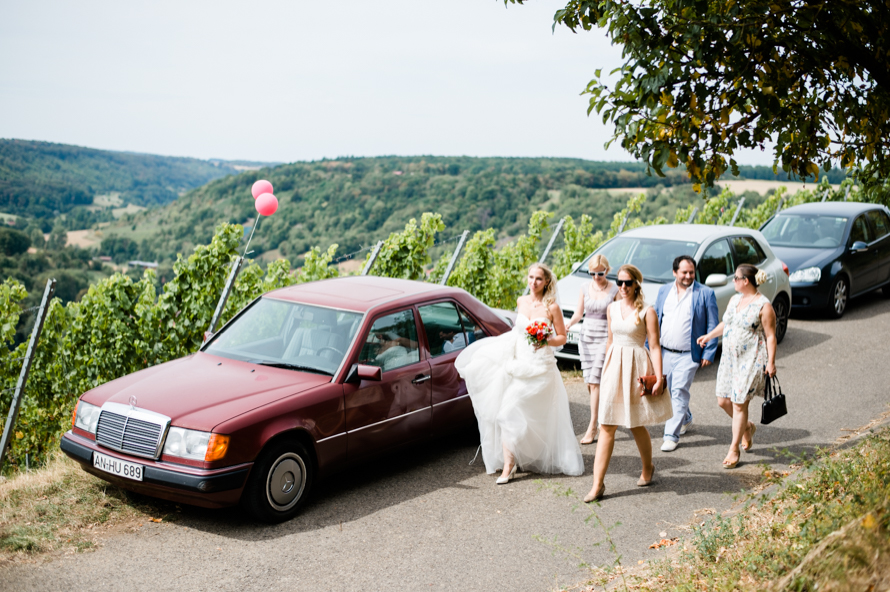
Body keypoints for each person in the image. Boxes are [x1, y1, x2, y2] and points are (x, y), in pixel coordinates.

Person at [455, 262, 584, 484]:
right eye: (531, 277)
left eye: (539, 279)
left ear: (546, 282)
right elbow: (518, 332)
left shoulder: (552, 307)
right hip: (519, 363)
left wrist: (546, 340)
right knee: (506, 413)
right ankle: (509, 464)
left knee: (531, 414)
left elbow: (562, 336)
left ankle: (527, 456)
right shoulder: (521, 301)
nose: (533, 282)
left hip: (541, 367)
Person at [584, 265, 672, 502]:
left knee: (635, 424)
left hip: (636, 366)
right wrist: (604, 371)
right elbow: (610, 341)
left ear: (636, 285)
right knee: (607, 425)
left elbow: (654, 346)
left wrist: (659, 377)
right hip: (614, 366)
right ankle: (597, 484)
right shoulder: (611, 308)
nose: (623, 287)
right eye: (620, 282)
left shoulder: (647, 311)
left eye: (628, 283)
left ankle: (648, 468)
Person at [696, 264, 777, 469]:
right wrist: (709, 335)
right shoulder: (734, 300)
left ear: (745, 281)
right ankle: (747, 427)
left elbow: (770, 336)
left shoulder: (764, 306)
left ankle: (734, 448)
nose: (733, 281)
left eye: (735, 278)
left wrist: (771, 362)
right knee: (723, 401)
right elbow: (727, 324)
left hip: (750, 360)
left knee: (740, 403)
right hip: (729, 359)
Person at [654, 255, 719, 452]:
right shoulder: (664, 291)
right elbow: (656, 318)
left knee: (679, 391)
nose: (688, 276)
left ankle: (670, 436)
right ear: (675, 273)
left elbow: (712, 324)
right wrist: (650, 346)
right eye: (684, 272)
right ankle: (686, 417)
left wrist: (709, 352)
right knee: (668, 391)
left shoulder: (705, 293)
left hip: (688, 354)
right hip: (664, 352)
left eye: (691, 272)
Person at [566, 254, 619, 444]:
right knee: (590, 382)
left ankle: (593, 426)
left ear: (606, 270)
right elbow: (579, 313)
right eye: (592, 273)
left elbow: (618, 314)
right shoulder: (584, 287)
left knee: (595, 382)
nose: (596, 277)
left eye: (600, 273)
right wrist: (569, 324)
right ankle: (604, 412)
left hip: (605, 337)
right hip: (586, 337)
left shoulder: (614, 289)